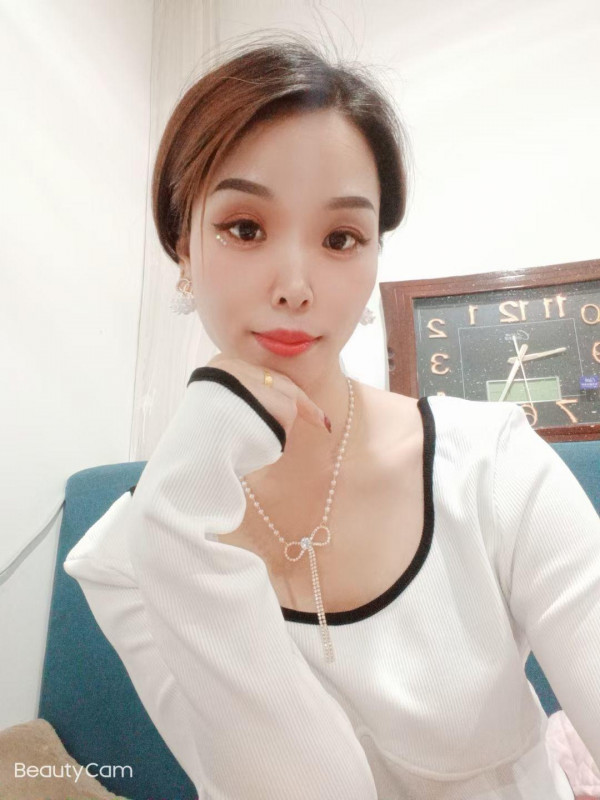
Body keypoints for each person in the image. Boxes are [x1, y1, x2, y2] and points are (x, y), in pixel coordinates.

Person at [63, 32, 600, 800]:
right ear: (183, 246)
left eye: (340, 238)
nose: (295, 285)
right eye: (245, 228)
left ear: (376, 253)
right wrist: (180, 517)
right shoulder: (136, 551)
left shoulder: (491, 466)